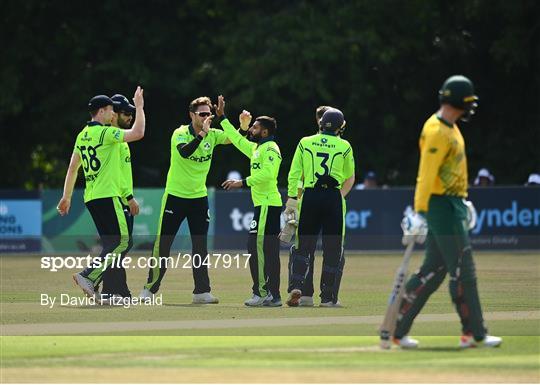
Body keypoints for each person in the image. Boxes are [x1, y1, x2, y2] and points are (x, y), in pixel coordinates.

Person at [394, 75, 502, 349]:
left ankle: (395, 326)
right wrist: (420, 211)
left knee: (434, 270)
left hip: (452, 203)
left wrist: (461, 200)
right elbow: (426, 175)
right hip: (440, 206)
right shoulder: (436, 130)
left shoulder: (451, 127)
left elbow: (451, 170)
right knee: (464, 269)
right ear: (458, 101)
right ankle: (475, 332)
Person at [139, 96, 230, 304]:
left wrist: (241, 127)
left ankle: (201, 291)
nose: (207, 117)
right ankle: (150, 289)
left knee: (200, 246)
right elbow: (185, 153)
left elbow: (234, 139)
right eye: (202, 114)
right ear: (192, 115)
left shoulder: (214, 135)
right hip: (175, 197)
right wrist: (202, 134)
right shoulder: (180, 133)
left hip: (199, 198)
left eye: (209, 114)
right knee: (163, 244)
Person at [57, 87, 146, 300]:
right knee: (123, 241)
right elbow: (138, 133)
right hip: (109, 195)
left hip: (92, 197)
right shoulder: (105, 133)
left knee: (113, 243)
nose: (113, 114)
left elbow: (72, 167)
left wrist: (66, 196)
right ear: (102, 111)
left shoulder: (82, 135)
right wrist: (140, 107)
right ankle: (87, 276)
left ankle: (101, 285)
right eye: (110, 110)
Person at [285, 108, 355, 307]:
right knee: (333, 249)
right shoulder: (345, 145)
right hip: (333, 196)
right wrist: (337, 197)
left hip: (310, 196)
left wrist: (292, 199)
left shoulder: (305, 142)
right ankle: (328, 298)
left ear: (320, 124)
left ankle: (298, 287)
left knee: (303, 246)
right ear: (341, 127)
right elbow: (349, 175)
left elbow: (294, 173)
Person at [217, 96, 283, 307]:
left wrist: (241, 182)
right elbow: (236, 140)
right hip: (263, 205)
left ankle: (262, 293)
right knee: (265, 250)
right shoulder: (256, 149)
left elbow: (268, 175)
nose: (251, 129)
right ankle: (273, 295)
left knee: (257, 247)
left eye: (254, 127)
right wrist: (223, 118)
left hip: (267, 205)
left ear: (264, 132)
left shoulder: (270, 148)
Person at [92, 94, 140, 301]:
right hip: (117, 199)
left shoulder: (119, 138)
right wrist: (128, 197)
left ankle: (117, 290)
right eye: (126, 113)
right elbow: (116, 176)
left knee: (118, 246)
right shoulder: (112, 139)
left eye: (132, 113)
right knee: (120, 244)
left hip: (120, 199)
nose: (129, 117)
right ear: (113, 115)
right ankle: (103, 285)